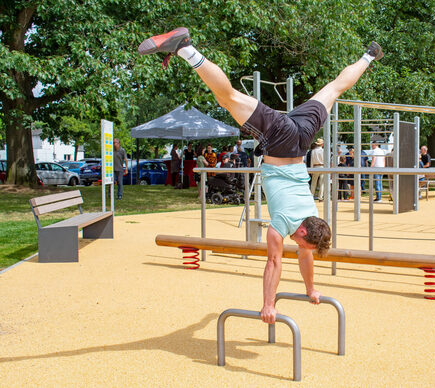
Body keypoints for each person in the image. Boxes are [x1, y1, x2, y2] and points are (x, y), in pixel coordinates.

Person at [139, 27, 383, 323]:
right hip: (280, 140)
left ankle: (370, 55)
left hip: (302, 139)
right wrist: (268, 304)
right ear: (304, 232)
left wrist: (311, 289)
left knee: (334, 89)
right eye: (301, 244)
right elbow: (274, 262)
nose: (299, 248)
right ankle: (185, 48)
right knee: (227, 98)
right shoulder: (281, 226)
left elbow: (305, 256)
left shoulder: (312, 216)